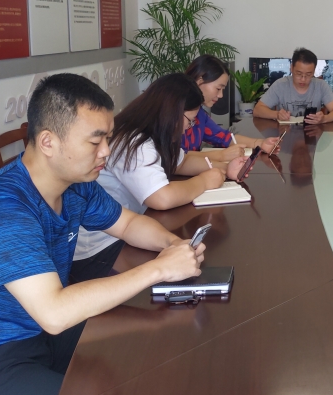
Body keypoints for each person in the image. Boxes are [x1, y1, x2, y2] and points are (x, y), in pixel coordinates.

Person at [0, 74, 205, 395]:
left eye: (108, 138)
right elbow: (54, 312)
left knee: (150, 340)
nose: (106, 151)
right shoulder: (2, 208)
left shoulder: (77, 185)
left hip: (37, 332)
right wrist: (159, 270)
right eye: (95, 142)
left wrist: (172, 245)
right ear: (48, 142)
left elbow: (128, 224)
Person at [71, 73, 246, 283]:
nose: (188, 128)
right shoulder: (134, 141)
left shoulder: (155, 134)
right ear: (172, 113)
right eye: (189, 121)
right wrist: (204, 182)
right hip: (100, 249)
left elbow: (181, 162)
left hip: (126, 229)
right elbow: (161, 198)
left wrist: (225, 169)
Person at [181, 55, 279, 160]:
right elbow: (177, 158)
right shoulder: (174, 112)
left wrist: (260, 143)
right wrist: (222, 155)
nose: (221, 95)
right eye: (218, 88)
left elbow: (223, 137)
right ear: (199, 81)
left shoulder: (200, 113)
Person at [253, 47, 333, 124]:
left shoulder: (321, 86)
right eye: (299, 74)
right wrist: (277, 114)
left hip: (312, 134)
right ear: (291, 68)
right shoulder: (280, 85)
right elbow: (257, 110)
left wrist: (324, 119)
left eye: (308, 74)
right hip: (285, 133)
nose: (303, 79)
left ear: (314, 71)